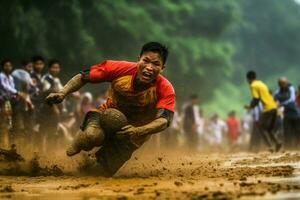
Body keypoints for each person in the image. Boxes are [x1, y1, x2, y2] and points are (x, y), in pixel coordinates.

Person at [46, 42, 175, 176]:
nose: (149, 67)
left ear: (162, 68)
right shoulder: (120, 68)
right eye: (146, 61)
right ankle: (82, 138)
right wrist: (63, 92)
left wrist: (138, 130)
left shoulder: (165, 88)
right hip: (105, 115)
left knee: (97, 173)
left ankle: (92, 162)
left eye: (155, 64)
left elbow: (164, 121)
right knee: (92, 136)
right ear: (138, 59)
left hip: (133, 136)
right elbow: (83, 76)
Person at [245, 71, 281, 152]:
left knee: (260, 126)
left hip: (268, 108)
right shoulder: (261, 83)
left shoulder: (253, 85)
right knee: (269, 129)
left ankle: (270, 146)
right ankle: (277, 142)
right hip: (274, 107)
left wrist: (250, 106)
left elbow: (256, 99)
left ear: (248, 79)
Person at [39, 59, 64, 152]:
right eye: (54, 67)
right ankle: (42, 152)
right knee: (44, 132)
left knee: (53, 131)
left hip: (54, 109)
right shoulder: (45, 79)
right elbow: (47, 92)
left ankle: (50, 152)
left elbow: (63, 90)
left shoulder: (56, 79)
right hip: (46, 108)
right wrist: (54, 107)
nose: (56, 69)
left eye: (57, 68)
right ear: (49, 68)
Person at [274, 77, 300, 150]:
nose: (282, 85)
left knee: (298, 132)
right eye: (280, 84)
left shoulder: (291, 88)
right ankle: (289, 148)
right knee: (287, 133)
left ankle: (297, 147)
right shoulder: (278, 92)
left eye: (283, 83)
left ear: (286, 83)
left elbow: (291, 99)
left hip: (295, 113)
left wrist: (281, 104)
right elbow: (274, 99)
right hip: (287, 115)